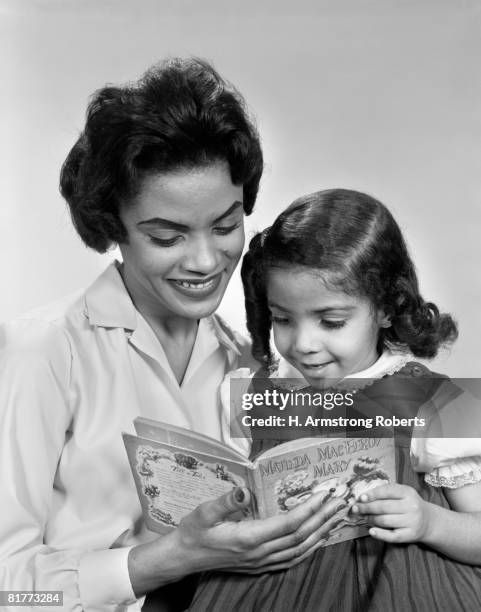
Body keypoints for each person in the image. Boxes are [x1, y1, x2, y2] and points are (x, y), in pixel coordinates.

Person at [0, 60, 343, 612]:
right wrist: (169, 558)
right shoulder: (43, 351)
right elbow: (7, 587)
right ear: (114, 228)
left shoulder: (252, 363)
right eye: (167, 236)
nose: (207, 260)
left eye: (227, 226)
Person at [189, 188, 481, 611]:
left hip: (390, 591)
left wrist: (429, 521)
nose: (304, 343)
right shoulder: (251, 394)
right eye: (283, 319)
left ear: (386, 308)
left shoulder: (432, 401)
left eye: (331, 321)